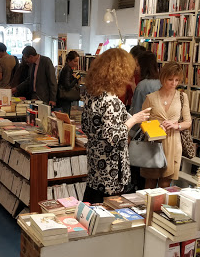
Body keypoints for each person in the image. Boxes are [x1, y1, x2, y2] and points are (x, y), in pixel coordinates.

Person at [81, 48, 151, 204]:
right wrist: (134, 120)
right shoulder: (111, 101)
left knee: (92, 203)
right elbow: (112, 136)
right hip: (111, 167)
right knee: (110, 210)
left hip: (95, 160)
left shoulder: (93, 96)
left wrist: (132, 118)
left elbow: (85, 126)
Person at [140, 61, 192, 188]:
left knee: (166, 184)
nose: (174, 83)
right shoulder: (151, 98)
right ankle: (148, 207)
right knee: (150, 183)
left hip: (173, 143)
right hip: (154, 144)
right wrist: (155, 128)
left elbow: (188, 122)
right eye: (170, 79)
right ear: (163, 77)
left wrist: (177, 126)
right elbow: (142, 121)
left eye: (177, 80)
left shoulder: (182, 97)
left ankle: (160, 208)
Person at [129, 51, 161, 190]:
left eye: (137, 65)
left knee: (139, 173)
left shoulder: (143, 85)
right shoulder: (161, 83)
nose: (136, 68)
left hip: (142, 132)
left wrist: (129, 135)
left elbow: (137, 112)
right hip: (158, 131)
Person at [57, 50, 81, 115]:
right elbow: (67, 86)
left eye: (77, 61)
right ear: (69, 60)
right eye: (75, 61)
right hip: (65, 98)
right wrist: (76, 79)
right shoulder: (68, 69)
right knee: (66, 115)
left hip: (63, 98)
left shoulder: (65, 68)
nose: (76, 63)